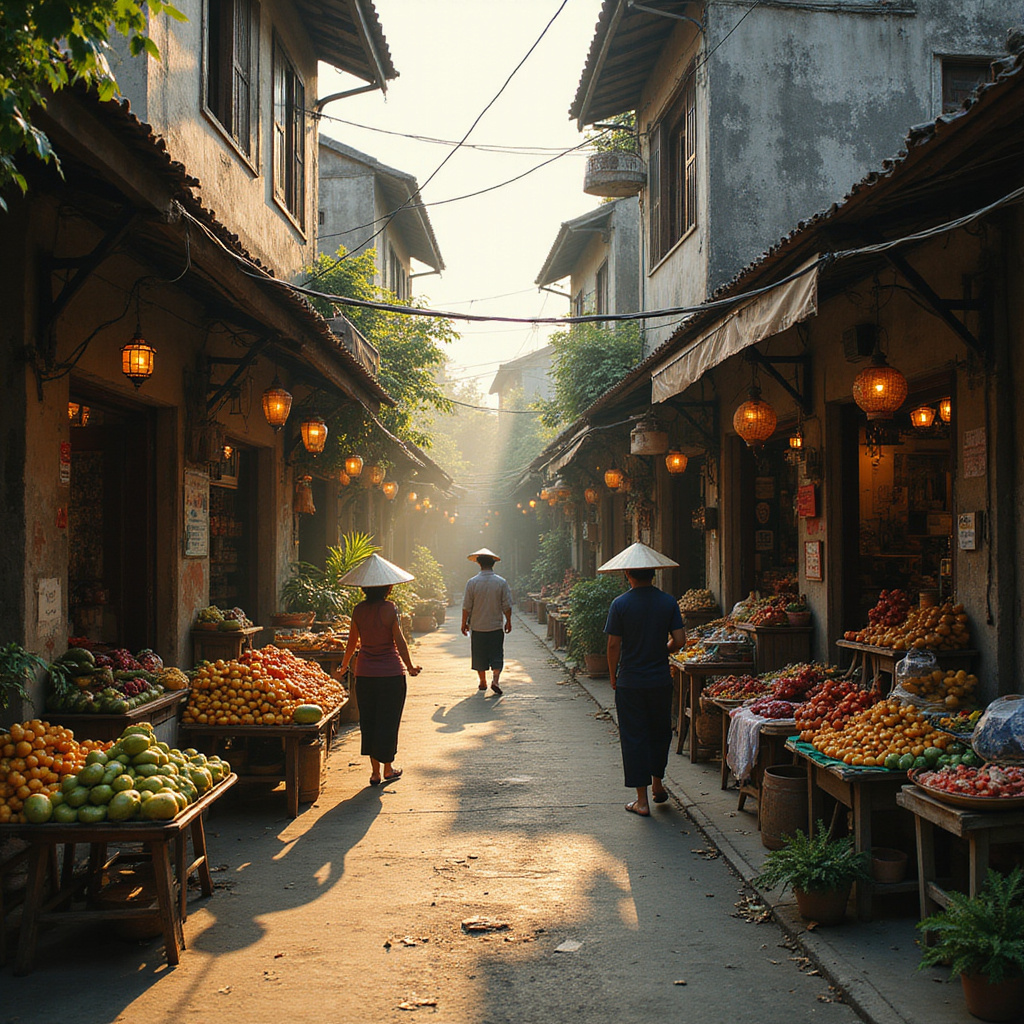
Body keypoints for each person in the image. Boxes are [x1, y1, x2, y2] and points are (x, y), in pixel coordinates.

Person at [599, 542, 686, 817]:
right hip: (660, 679)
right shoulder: (668, 602)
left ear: (628, 574)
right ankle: (658, 784)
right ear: (654, 574)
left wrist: (613, 674)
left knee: (634, 736)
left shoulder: (620, 604)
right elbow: (680, 640)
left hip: (631, 682)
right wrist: (663, 650)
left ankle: (642, 801)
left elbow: (613, 645)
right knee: (659, 732)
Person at [339, 554, 421, 787]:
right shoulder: (390, 609)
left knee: (370, 721)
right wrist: (410, 666)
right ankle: (388, 768)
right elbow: (400, 641)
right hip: (391, 675)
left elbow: (352, 643)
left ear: (364, 588)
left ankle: (375, 772)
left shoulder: (358, 610)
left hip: (365, 674)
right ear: (388, 588)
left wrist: (344, 666)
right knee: (388, 721)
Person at [461, 547, 513, 696]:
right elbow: (507, 605)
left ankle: (483, 681)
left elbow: (466, 606)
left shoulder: (472, 582)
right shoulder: (501, 582)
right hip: (495, 626)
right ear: (493, 564)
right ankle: (495, 680)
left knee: (479, 654)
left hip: (478, 627)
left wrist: (464, 623)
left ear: (479, 564)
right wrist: (508, 621)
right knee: (497, 654)